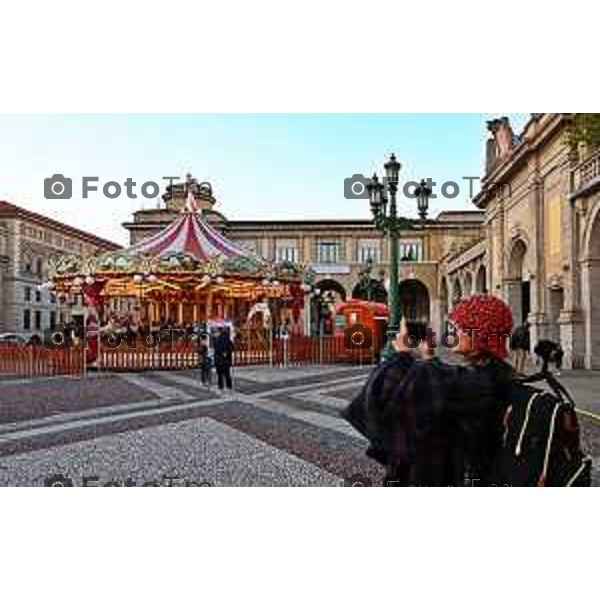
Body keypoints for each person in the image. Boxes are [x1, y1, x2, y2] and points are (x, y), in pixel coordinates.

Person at [343, 293, 515, 487]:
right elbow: (442, 383)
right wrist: (428, 357)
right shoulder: (494, 375)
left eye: (462, 325)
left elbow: (379, 397)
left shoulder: (475, 383)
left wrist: (400, 355)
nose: (454, 330)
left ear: (481, 334)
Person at [213, 327, 234, 392]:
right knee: (226, 373)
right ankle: (228, 386)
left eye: (215, 332)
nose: (214, 334)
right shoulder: (226, 339)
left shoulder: (220, 339)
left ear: (219, 332)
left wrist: (224, 353)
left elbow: (218, 349)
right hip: (225, 360)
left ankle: (221, 386)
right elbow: (232, 348)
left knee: (221, 374)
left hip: (221, 359)